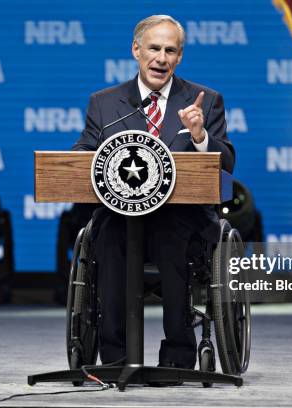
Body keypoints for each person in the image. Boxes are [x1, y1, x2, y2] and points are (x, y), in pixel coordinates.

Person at [72, 15, 234, 370]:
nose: (161, 58)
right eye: (154, 48)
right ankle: (115, 359)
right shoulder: (105, 103)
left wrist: (199, 136)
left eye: (170, 50)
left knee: (168, 236)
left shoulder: (203, 101)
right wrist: (83, 158)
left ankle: (177, 357)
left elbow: (226, 163)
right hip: (120, 216)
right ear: (136, 50)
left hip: (181, 220)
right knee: (110, 237)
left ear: (179, 58)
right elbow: (84, 151)